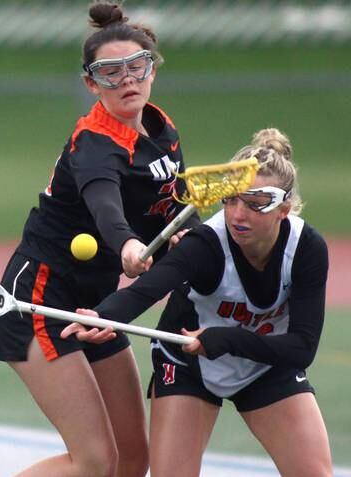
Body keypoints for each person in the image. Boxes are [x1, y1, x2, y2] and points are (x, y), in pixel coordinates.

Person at [0, 2, 199, 475]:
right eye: (110, 72)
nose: (126, 79)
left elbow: (172, 208)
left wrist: (188, 239)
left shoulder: (162, 131)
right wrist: (125, 243)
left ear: (152, 70)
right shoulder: (95, 142)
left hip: (97, 306)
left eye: (136, 67)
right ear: (91, 83)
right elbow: (105, 204)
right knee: (95, 460)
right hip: (41, 299)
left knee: (132, 458)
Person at [62, 128, 333, 477]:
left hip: (265, 359)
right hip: (188, 363)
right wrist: (101, 317)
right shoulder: (207, 244)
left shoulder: (306, 249)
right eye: (231, 198)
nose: (238, 215)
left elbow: (302, 349)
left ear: (283, 208)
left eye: (256, 202)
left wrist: (225, 340)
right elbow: (144, 291)